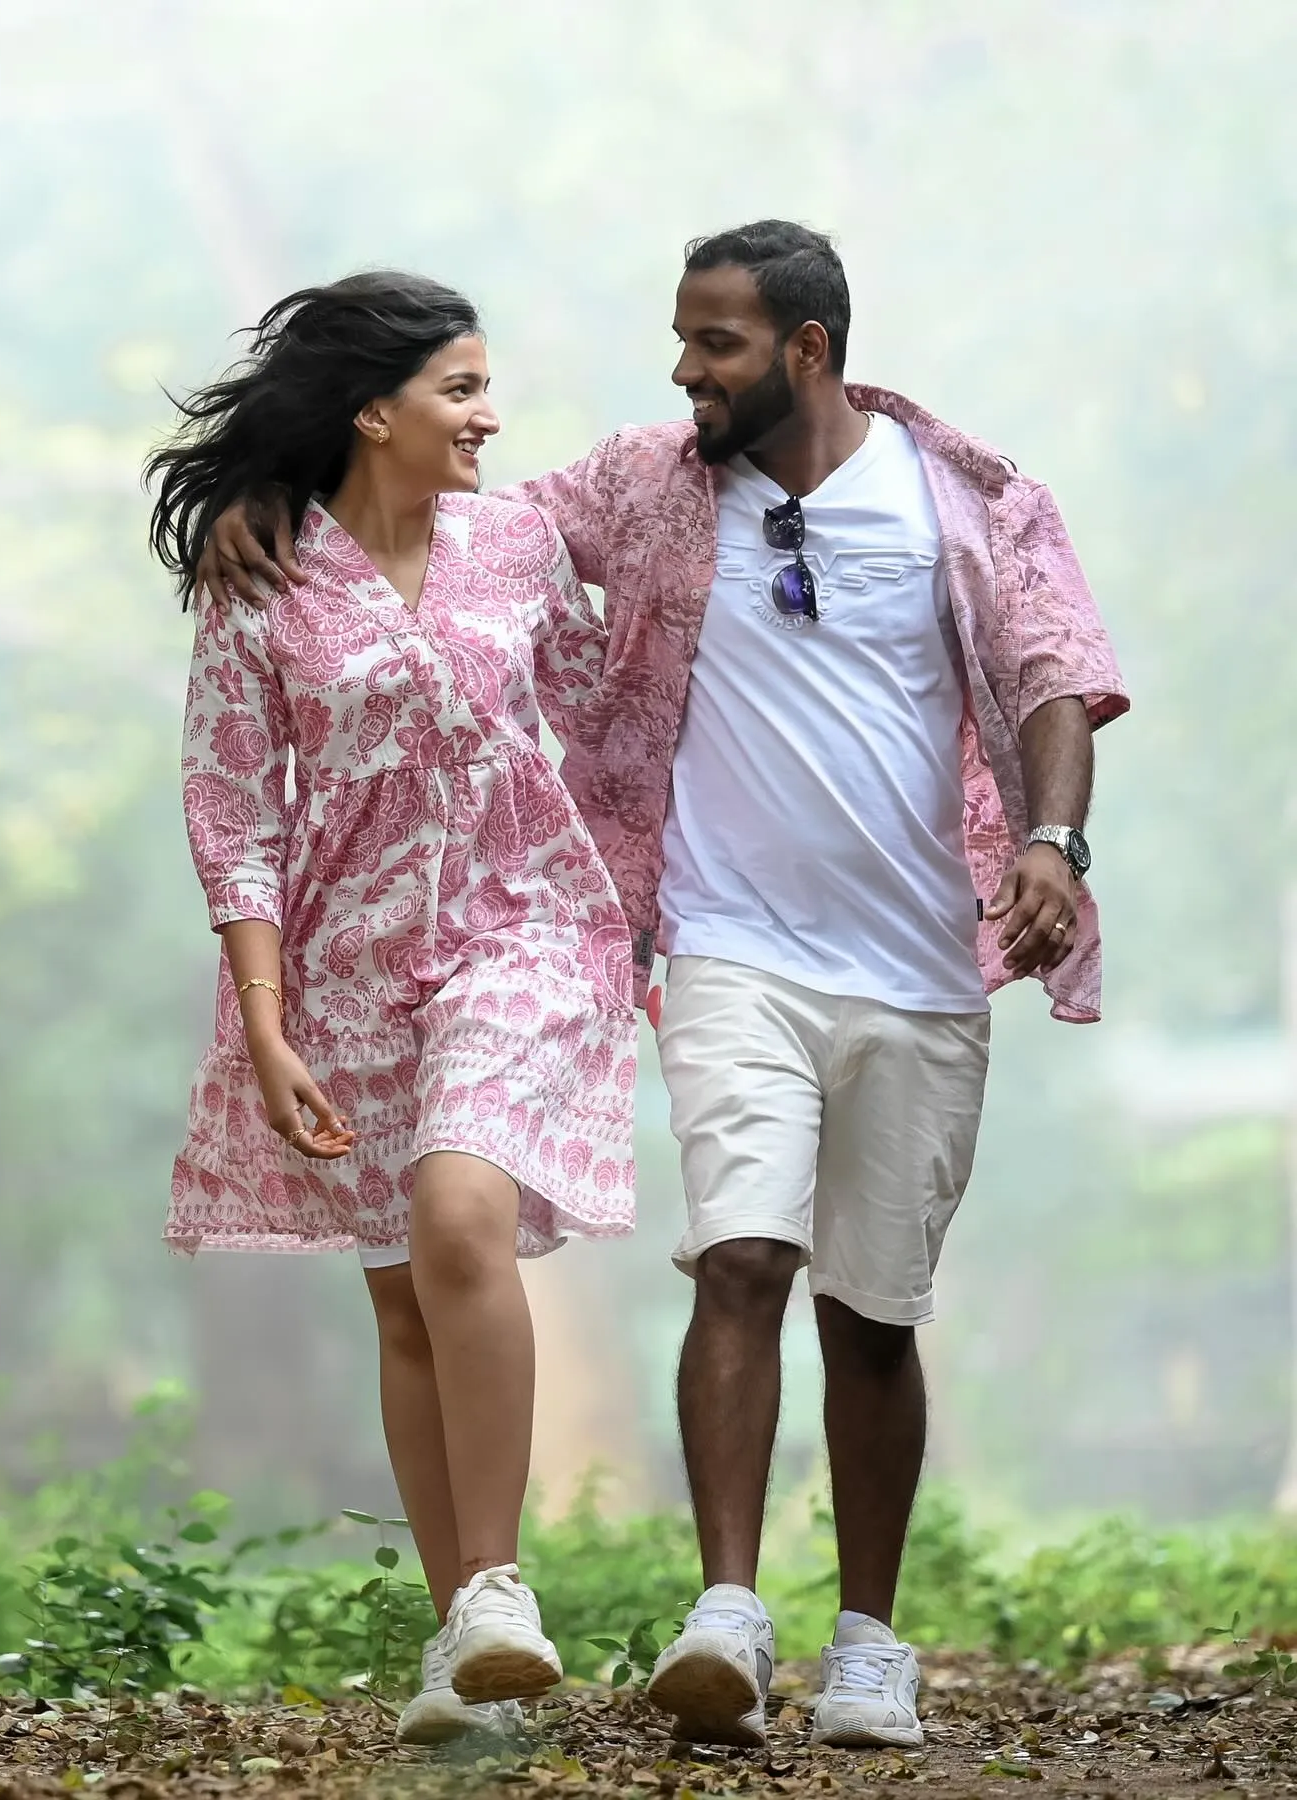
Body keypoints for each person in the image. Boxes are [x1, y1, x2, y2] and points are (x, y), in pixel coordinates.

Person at [197, 222, 1128, 1753]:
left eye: (716, 344)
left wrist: (1049, 840)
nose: (682, 371)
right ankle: (699, 1615)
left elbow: (1049, 674)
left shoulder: (965, 496)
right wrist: (265, 494)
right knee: (726, 1262)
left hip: (846, 953)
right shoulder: (639, 487)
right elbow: (374, 593)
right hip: (698, 949)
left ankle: (869, 1643)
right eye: (681, 340)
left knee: (868, 1313)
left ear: (807, 349)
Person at [145, 271, 638, 1746]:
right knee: (403, 1302)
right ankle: (462, 1653)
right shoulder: (265, 579)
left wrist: (664, 917)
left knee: (463, 1215)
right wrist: (267, 1020)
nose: (492, 416)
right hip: (347, 967)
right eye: (463, 390)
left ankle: (496, 1591)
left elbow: (605, 725)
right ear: (376, 410)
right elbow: (233, 805)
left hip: (523, 932)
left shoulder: (523, 547)